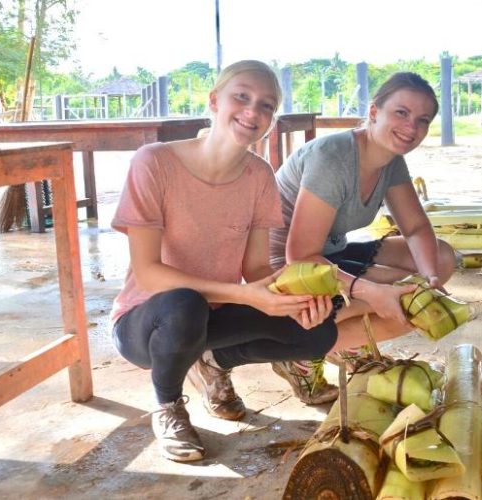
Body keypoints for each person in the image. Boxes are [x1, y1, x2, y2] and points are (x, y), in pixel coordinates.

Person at [110, 60, 336, 462]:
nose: (253, 111)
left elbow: (256, 270)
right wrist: (244, 295)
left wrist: (296, 294)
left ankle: (211, 360)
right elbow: (147, 272)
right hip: (147, 322)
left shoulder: (259, 176)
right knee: (184, 304)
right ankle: (168, 406)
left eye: (266, 105)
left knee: (316, 332)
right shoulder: (154, 162)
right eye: (242, 97)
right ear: (215, 101)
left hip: (212, 317)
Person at [269, 72, 457, 403]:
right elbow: (299, 256)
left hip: (328, 253)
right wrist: (373, 291)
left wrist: (430, 280)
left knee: (437, 264)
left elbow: (415, 227)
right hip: (284, 268)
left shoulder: (390, 161)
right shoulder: (334, 158)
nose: (412, 127)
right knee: (400, 299)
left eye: (422, 119)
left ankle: (343, 344)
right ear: (374, 113)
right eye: (401, 113)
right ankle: (299, 351)